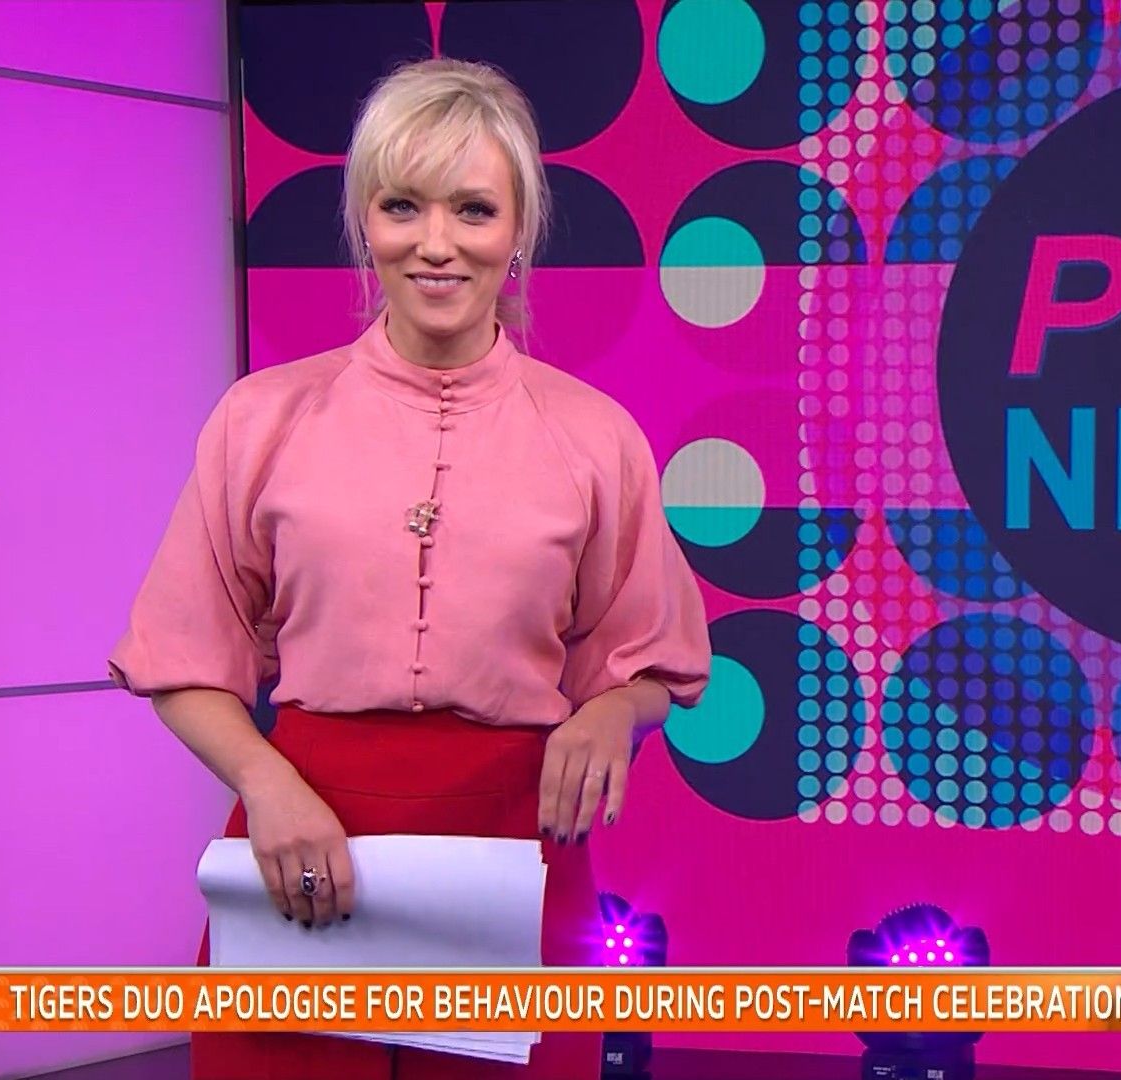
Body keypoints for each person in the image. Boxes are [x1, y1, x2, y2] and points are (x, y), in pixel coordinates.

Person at [108, 57, 710, 1079]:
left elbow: (650, 659)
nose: (436, 244)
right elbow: (182, 658)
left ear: (518, 232)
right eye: (402, 207)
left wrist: (614, 712)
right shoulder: (262, 417)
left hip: (515, 849)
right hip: (298, 837)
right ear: (363, 222)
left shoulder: (594, 435)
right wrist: (266, 782)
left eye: (473, 210)